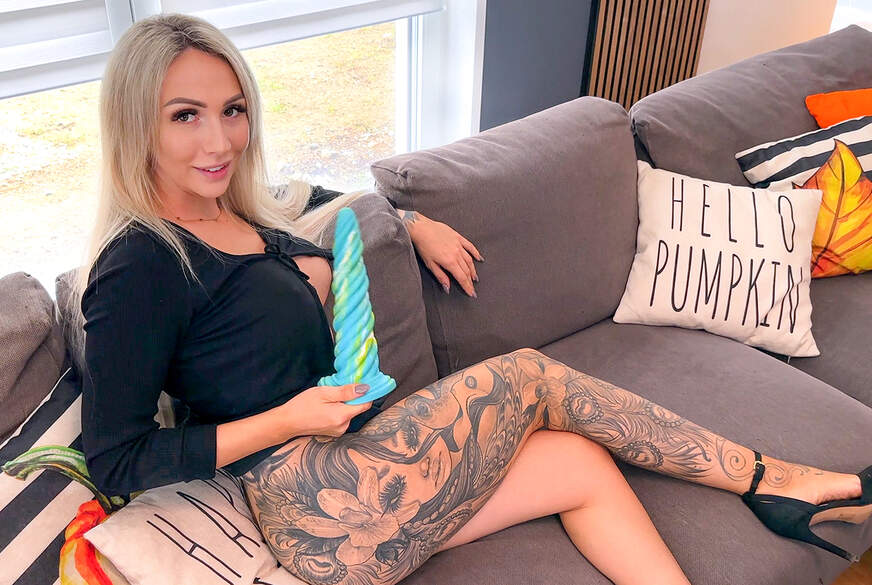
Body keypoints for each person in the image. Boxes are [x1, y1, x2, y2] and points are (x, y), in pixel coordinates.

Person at [74, 13, 870, 585]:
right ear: (136, 125)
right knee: (527, 374)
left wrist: (410, 220)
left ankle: (773, 495)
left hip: (357, 466)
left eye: (232, 110)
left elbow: (324, 201)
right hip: (312, 506)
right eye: (185, 117)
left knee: (579, 464)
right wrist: (288, 417)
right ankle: (773, 479)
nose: (218, 141)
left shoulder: (242, 207)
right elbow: (116, 455)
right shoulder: (137, 265)